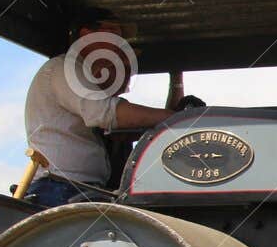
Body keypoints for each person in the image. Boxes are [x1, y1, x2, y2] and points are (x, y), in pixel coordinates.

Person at [23, 22, 194, 207]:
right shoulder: (64, 68)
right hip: (60, 190)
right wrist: (179, 118)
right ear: (86, 35)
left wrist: (176, 86)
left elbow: (143, 127)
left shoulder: (88, 93)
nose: (119, 44)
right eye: (113, 34)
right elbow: (105, 112)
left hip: (80, 190)